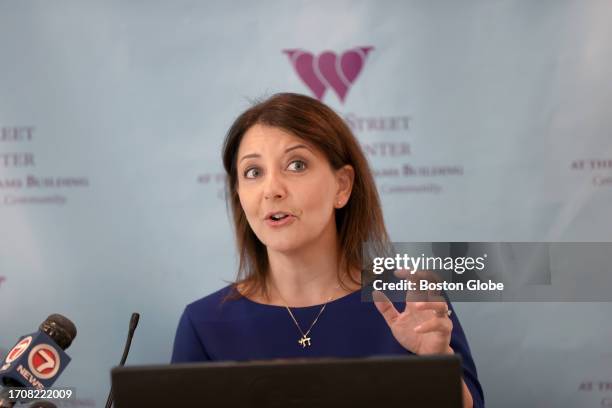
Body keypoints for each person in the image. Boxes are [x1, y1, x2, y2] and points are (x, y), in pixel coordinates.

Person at [172, 93, 484, 407]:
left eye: (296, 165)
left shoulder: (410, 299)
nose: (272, 190)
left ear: (342, 186)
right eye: (253, 172)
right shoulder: (204, 322)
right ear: (238, 193)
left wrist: (437, 363)